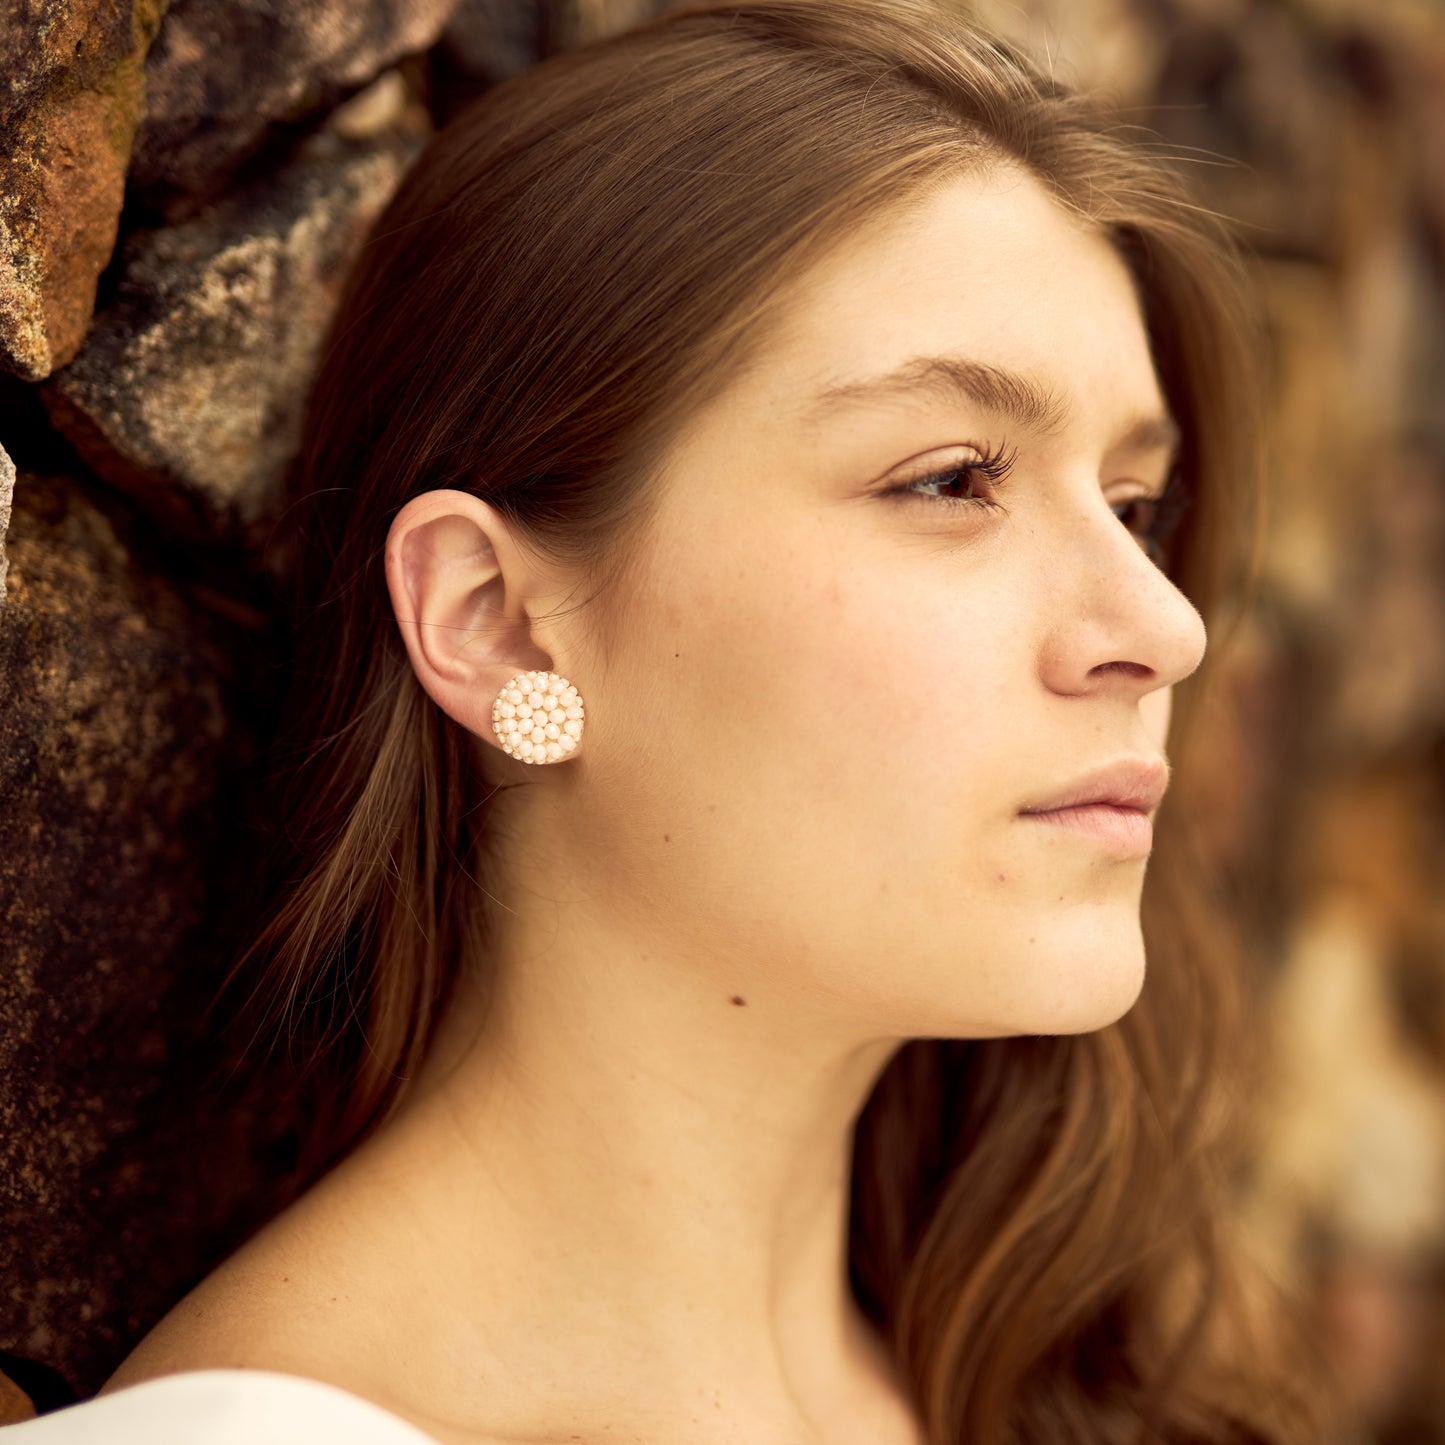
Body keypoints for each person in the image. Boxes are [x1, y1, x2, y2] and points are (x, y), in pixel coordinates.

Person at [9, 0, 1337, 1440]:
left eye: (1133, 507)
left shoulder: (1081, 1392)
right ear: (495, 618)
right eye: (952, 479)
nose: (1163, 625)